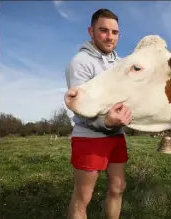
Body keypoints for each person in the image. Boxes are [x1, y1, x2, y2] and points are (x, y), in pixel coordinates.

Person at [65, 8, 132, 219]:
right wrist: (107, 122)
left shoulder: (121, 64)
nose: (109, 37)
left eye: (114, 32)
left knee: (118, 187)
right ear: (91, 31)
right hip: (89, 137)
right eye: (103, 30)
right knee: (83, 197)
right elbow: (82, 109)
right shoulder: (80, 63)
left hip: (116, 136)